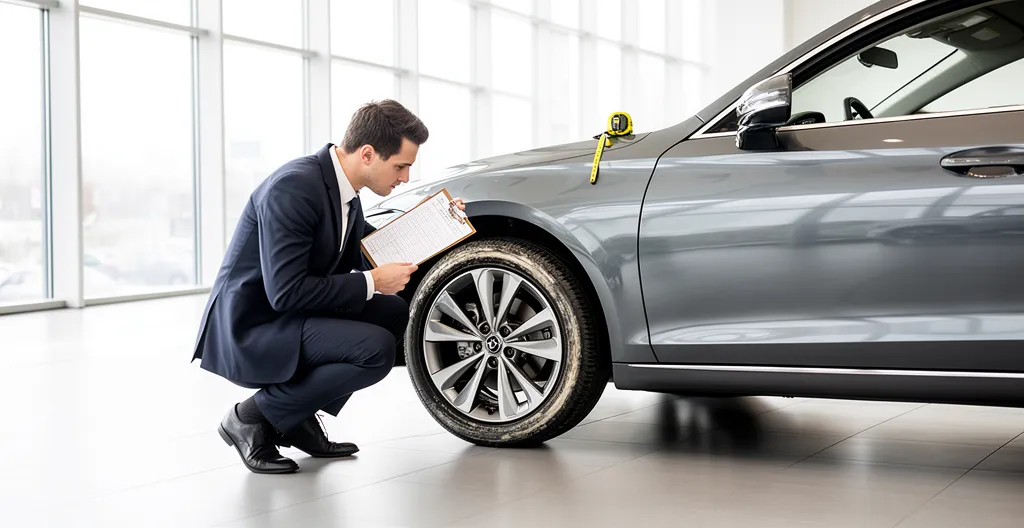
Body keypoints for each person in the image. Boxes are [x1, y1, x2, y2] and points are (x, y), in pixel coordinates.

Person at [191, 99, 465, 474]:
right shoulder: (294, 189)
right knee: (375, 349)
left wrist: (442, 224)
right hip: (257, 324)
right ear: (368, 154)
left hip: (292, 312)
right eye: (400, 166)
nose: (404, 178)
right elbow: (285, 293)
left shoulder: (343, 193)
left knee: (394, 313)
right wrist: (371, 281)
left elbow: (371, 250)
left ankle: (296, 413)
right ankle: (252, 418)